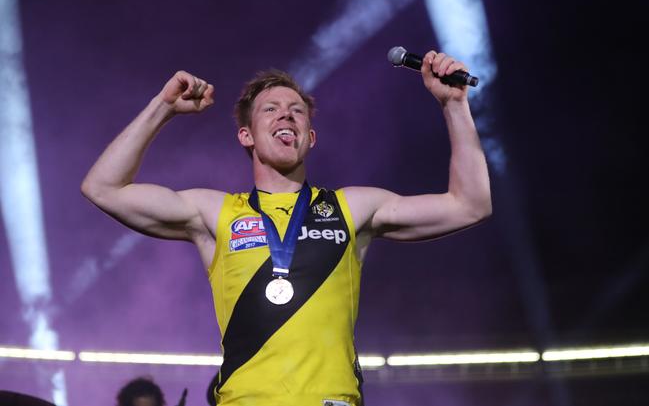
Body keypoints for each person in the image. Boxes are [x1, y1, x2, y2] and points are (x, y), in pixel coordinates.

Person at [81, 50, 491, 406]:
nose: (286, 115)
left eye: (296, 110)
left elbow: (469, 205)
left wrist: (455, 106)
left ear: (309, 137)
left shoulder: (352, 207)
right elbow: (103, 187)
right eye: (271, 109)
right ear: (247, 136)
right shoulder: (215, 213)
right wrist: (163, 107)